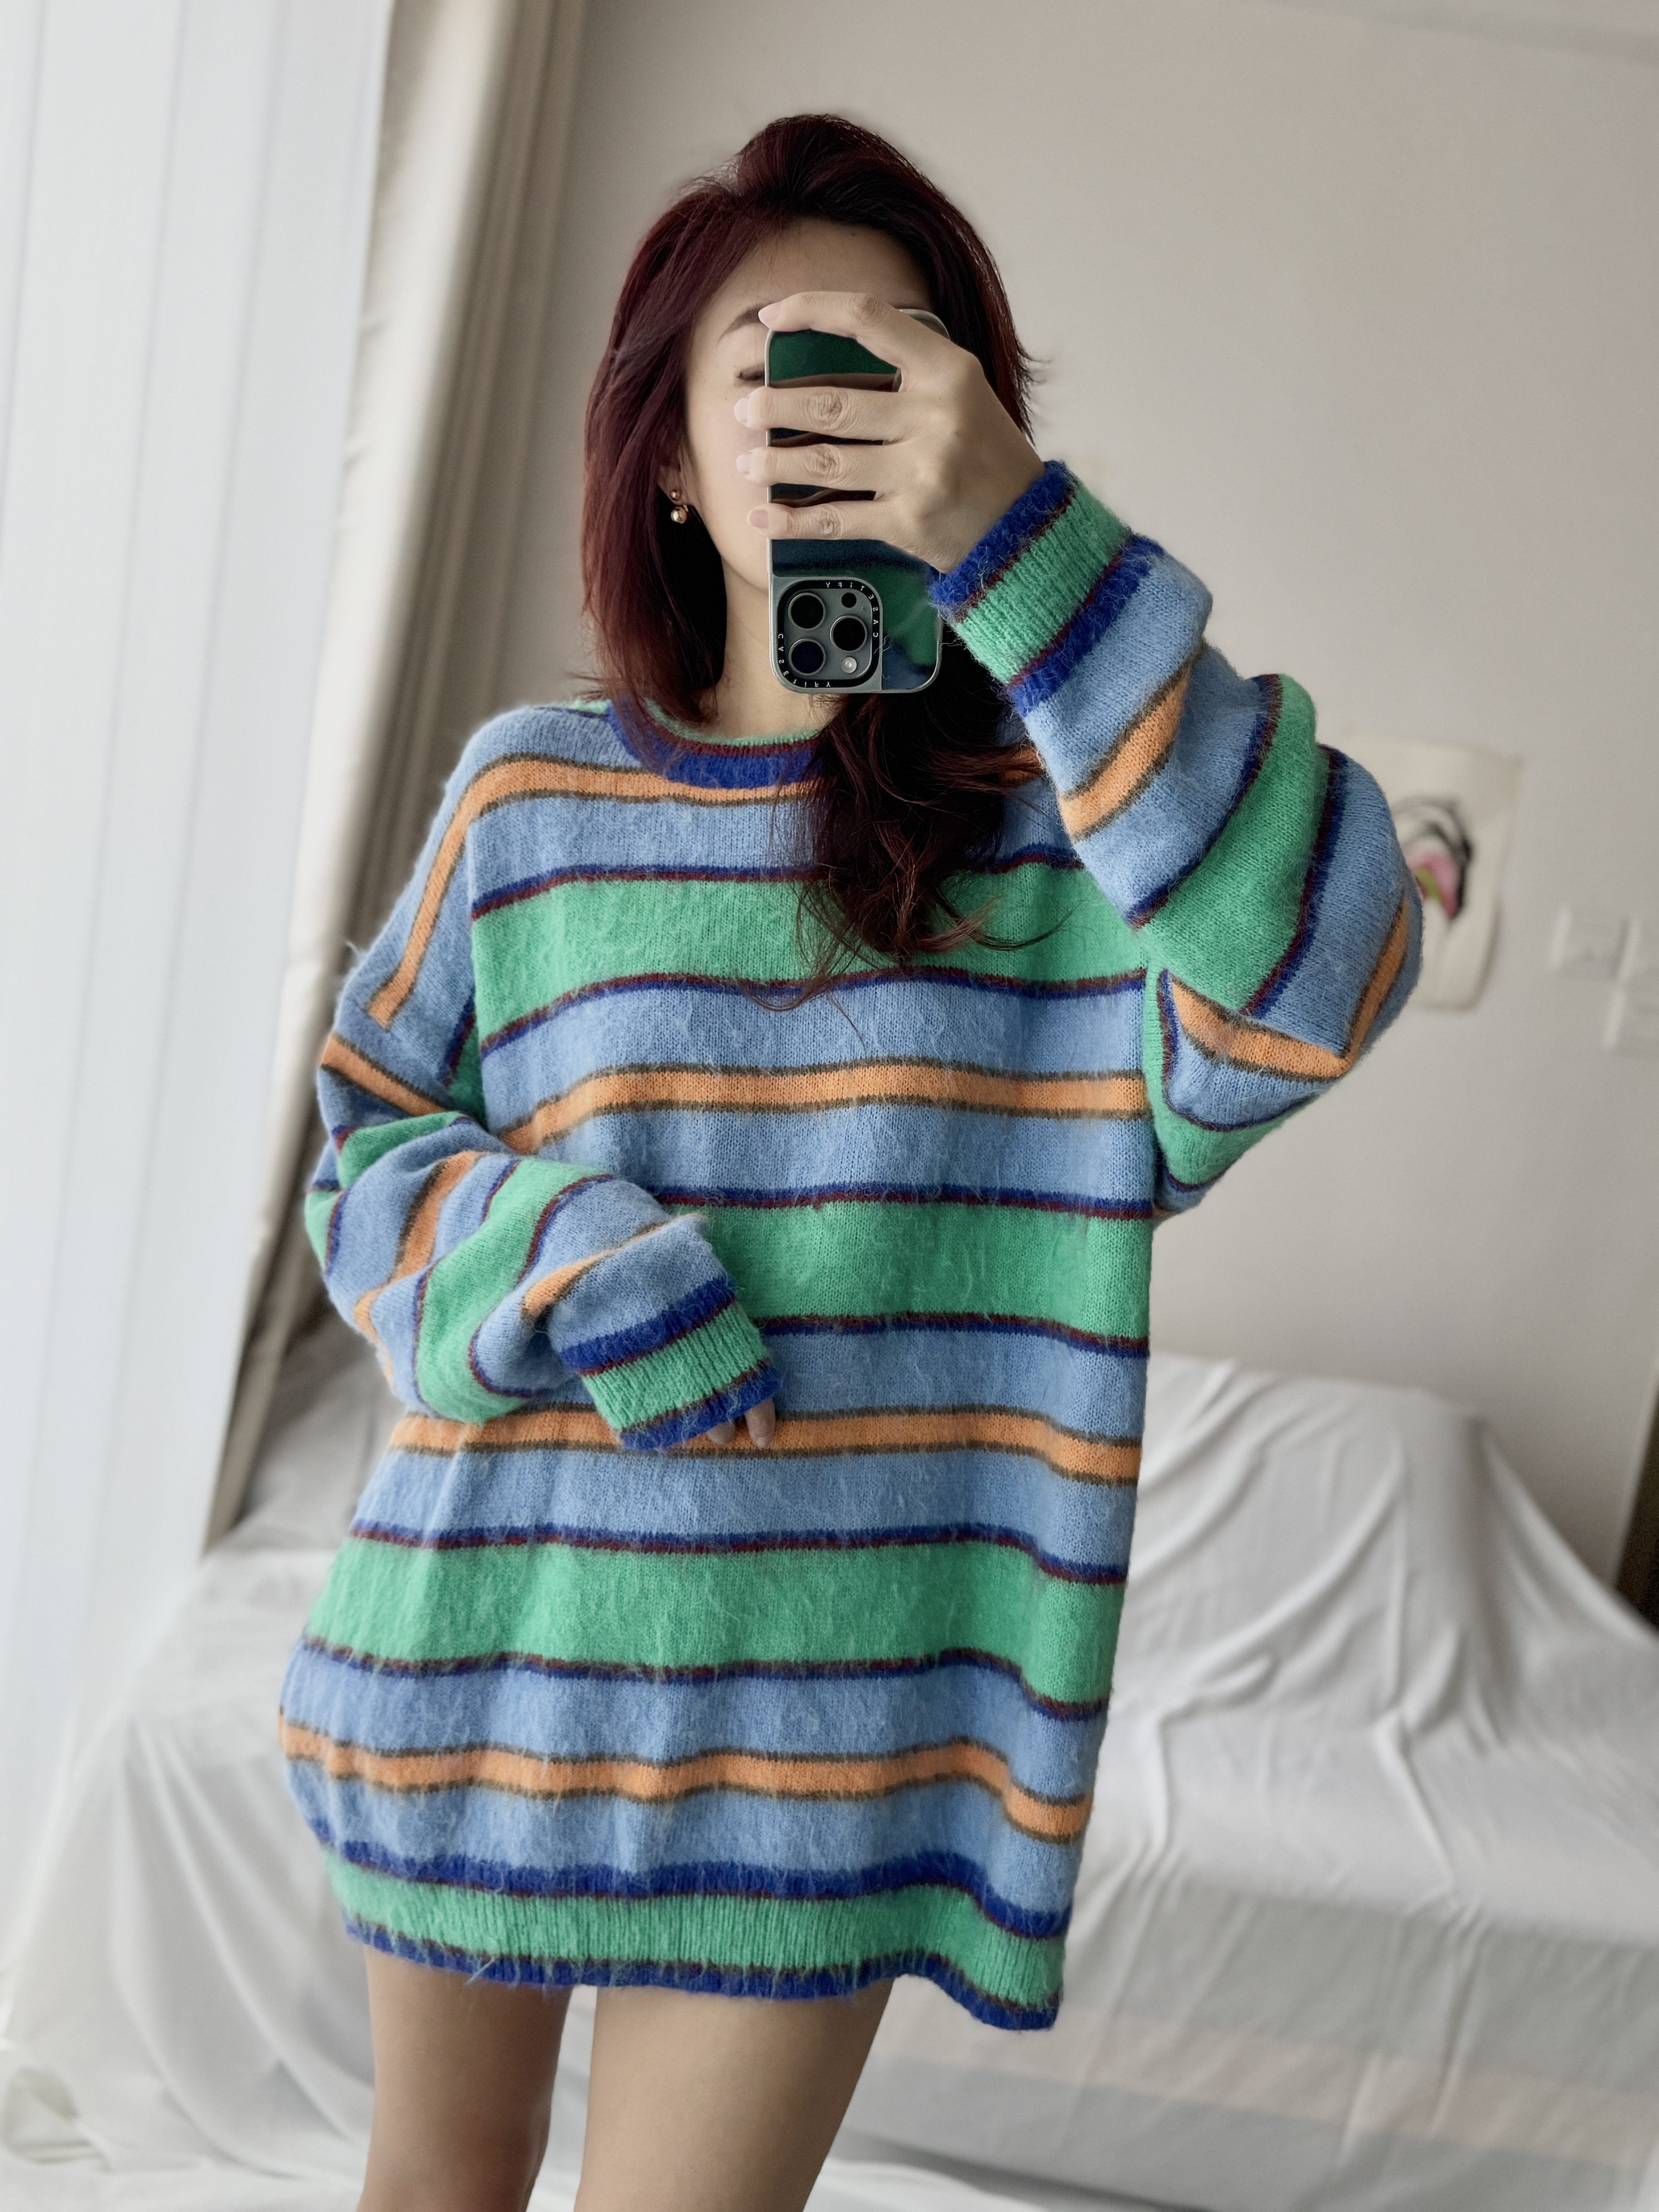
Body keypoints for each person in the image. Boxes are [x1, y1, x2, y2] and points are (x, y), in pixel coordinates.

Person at [279, 112, 1418, 2212]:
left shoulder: (1071, 859)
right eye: (786, 369)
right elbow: (364, 1145)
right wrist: (565, 1253)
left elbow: (1323, 967)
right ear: (669, 461)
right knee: (432, 2187)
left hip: (824, 1732)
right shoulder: (527, 799)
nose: (848, 415)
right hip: (483, 1641)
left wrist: (1024, 542)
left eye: (906, 368)